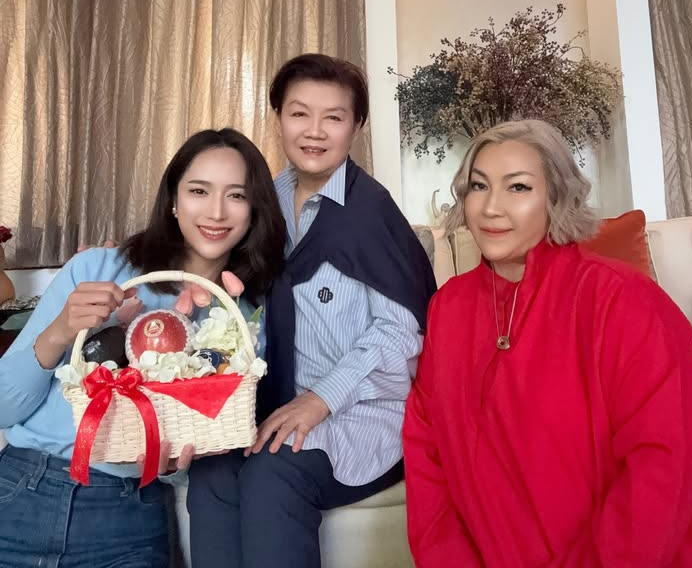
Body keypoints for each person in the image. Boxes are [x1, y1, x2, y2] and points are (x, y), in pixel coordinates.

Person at [402, 119, 692, 567]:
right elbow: (427, 452)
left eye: (517, 187)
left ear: (556, 196)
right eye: (479, 186)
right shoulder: (449, 307)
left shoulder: (621, 299)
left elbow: (667, 462)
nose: (491, 207)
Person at [187, 54, 437, 568]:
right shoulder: (264, 204)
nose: (315, 131)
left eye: (334, 117)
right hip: (275, 402)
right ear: (278, 117)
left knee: (274, 469)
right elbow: (217, 266)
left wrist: (321, 398)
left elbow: (401, 331)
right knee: (213, 470)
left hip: (364, 411)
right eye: (300, 113)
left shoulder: (371, 213)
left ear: (356, 126)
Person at [0, 128, 285, 567]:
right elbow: (3, 409)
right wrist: (60, 330)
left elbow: (205, 443)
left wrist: (173, 466)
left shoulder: (243, 322)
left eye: (236, 195)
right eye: (198, 191)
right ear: (173, 201)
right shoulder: (98, 268)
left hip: (129, 514)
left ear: (254, 211)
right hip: (23, 488)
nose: (216, 211)